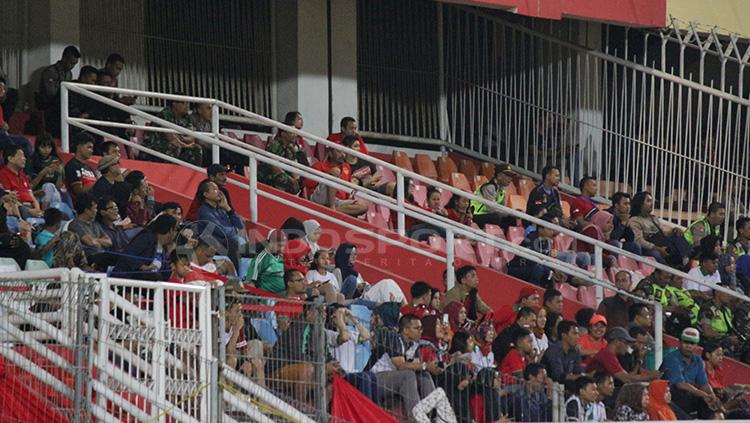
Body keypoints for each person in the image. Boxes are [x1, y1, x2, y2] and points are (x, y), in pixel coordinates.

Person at [368, 314, 435, 421]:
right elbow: (401, 366)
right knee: (408, 375)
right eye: (416, 328)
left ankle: (431, 416)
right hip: (374, 379)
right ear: (406, 330)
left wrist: (431, 367)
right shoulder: (394, 338)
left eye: (421, 328)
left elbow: (417, 366)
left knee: (424, 374)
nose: (420, 331)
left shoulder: (414, 345)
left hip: (393, 381)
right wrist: (425, 365)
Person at [660, 327, 722, 419]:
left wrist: (711, 395)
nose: (689, 346)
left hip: (688, 396)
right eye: (686, 342)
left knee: (711, 400)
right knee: (684, 392)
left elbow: (704, 384)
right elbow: (680, 385)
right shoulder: (672, 358)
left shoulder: (698, 360)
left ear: (697, 345)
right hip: (671, 396)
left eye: (692, 343)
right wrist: (703, 395)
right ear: (680, 342)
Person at [629, 191, 690, 265]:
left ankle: (687, 258)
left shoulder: (653, 218)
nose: (652, 204)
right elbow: (639, 240)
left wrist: (674, 230)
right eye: (648, 201)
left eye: (652, 201)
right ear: (640, 204)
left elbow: (663, 234)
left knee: (677, 234)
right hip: (648, 247)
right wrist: (657, 248)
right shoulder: (635, 220)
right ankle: (669, 270)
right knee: (656, 254)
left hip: (660, 242)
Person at [306, 146, 368, 217]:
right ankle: (332, 207)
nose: (343, 154)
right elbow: (307, 184)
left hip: (337, 200)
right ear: (330, 154)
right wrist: (326, 176)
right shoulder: (319, 165)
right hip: (320, 197)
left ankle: (331, 211)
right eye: (339, 152)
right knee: (335, 172)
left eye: (343, 152)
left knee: (364, 207)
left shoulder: (346, 167)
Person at [112, 214, 177, 280]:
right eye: (176, 229)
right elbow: (127, 254)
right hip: (126, 279)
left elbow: (164, 272)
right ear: (171, 230)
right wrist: (142, 266)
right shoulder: (147, 238)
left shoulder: (164, 248)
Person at [196, 179, 244, 268]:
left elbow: (240, 226)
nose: (218, 192)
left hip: (228, 243)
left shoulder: (221, 209)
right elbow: (222, 232)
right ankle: (236, 277)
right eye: (214, 190)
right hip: (213, 246)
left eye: (218, 189)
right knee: (233, 242)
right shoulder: (204, 211)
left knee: (262, 247)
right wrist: (235, 230)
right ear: (206, 194)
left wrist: (228, 208)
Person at [587, 327, 659, 383]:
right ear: (617, 341)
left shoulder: (611, 355)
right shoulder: (607, 354)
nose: (628, 346)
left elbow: (628, 376)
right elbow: (626, 378)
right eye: (626, 343)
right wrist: (650, 376)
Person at [144, 96, 202, 166]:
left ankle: (195, 172)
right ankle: (170, 171)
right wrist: (185, 144)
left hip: (180, 143)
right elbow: (170, 137)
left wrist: (184, 140)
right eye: (184, 103)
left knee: (196, 148)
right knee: (175, 146)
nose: (187, 106)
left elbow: (191, 136)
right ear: (174, 104)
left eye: (188, 103)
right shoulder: (165, 114)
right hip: (156, 145)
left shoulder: (186, 117)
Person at [37, 46, 80, 137]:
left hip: (63, 105)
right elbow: (51, 93)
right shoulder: (50, 72)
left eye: (74, 64)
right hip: (50, 105)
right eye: (71, 63)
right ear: (64, 58)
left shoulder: (69, 74)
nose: (72, 67)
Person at [23, 134, 68, 215]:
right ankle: (46, 214)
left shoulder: (56, 161)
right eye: (43, 147)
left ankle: (45, 213)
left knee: (50, 187)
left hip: (54, 194)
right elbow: (29, 186)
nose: (46, 150)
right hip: (36, 194)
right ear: (37, 147)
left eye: (49, 147)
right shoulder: (31, 162)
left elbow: (59, 187)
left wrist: (60, 174)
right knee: (48, 186)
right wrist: (42, 174)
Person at [702, 343, 750, 419]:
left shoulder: (718, 370)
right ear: (708, 355)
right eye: (718, 355)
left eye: (722, 355)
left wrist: (743, 388)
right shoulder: (700, 369)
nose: (721, 358)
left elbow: (722, 390)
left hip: (721, 404)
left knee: (741, 398)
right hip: (707, 406)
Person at [0, 145, 43, 218]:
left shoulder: (23, 175)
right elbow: (9, 199)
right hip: (20, 209)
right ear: (10, 158)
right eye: (21, 156)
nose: (25, 159)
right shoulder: (3, 174)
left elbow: (32, 196)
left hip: (31, 208)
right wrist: (29, 211)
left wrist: (37, 210)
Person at [68, 193, 113, 263]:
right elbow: (90, 242)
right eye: (95, 208)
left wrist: (96, 241)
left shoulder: (95, 223)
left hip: (103, 255)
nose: (96, 211)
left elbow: (109, 242)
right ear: (86, 210)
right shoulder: (75, 224)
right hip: (88, 257)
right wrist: (100, 241)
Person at [469, 163, 517, 229]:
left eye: (511, 176)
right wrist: (510, 212)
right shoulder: (489, 187)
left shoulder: (501, 191)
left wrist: (511, 214)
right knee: (495, 217)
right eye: (508, 175)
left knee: (512, 219)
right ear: (499, 175)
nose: (510, 179)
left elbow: (503, 208)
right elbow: (492, 208)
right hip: (476, 214)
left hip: (487, 215)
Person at [541, 320, 585, 391]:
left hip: (565, 385)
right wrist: (582, 376)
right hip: (548, 386)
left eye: (578, 334)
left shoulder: (575, 350)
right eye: (574, 334)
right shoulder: (553, 350)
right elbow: (559, 376)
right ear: (564, 335)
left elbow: (577, 371)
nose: (578, 337)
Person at [259, 126, 303, 194]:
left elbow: (294, 165)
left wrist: (297, 179)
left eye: (295, 133)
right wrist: (291, 179)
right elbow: (274, 167)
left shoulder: (290, 148)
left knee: (301, 181)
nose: (295, 135)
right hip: (268, 175)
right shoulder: (275, 145)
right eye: (292, 133)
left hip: (284, 174)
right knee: (281, 179)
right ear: (283, 134)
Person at [245, 229, 286, 295]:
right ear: (270, 242)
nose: (281, 249)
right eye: (279, 245)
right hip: (268, 298)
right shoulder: (260, 259)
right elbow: (249, 282)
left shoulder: (282, 258)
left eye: (283, 246)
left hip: (286, 295)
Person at [699, 284, 740, 350]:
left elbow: (730, 329)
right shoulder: (707, 308)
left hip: (725, 342)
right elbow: (707, 332)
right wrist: (727, 338)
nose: (729, 295)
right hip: (711, 343)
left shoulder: (727, 310)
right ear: (717, 293)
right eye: (726, 292)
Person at [64, 132, 97, 199]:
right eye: (89, 147)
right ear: (79, 147)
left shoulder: (90, 168)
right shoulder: (72, 166)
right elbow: (79, 192)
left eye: (92, 148)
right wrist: (97, 183)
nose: (92, 151)